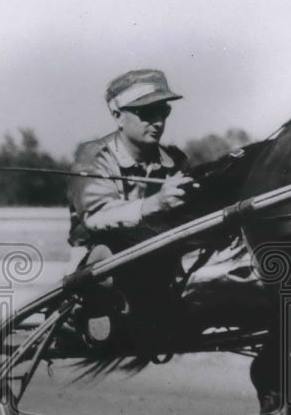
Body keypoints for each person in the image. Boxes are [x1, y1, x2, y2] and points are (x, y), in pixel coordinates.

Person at [67, 69, 196, 344]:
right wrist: (155, 203)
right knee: (105, 251)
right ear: (117, 115)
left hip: (159, 263)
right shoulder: (93, 156)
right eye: (146, 113)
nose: (158, 121)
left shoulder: (175, 160)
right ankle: (84, 312)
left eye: (163, 111)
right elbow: (96, 218)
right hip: (97, 262)